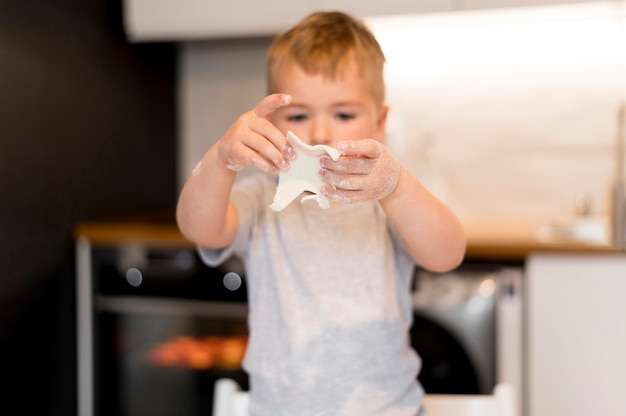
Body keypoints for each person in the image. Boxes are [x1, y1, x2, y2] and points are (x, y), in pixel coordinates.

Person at [176, 11, 466, 416]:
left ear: (379, 124)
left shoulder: (388, 203)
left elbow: (447, 253)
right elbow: (200, 228)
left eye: (343, 115)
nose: (321, 134)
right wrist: (222, 159)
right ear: (274, 123)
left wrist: (396, 185)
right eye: (298, 116)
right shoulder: (261, 198)